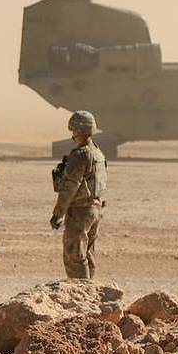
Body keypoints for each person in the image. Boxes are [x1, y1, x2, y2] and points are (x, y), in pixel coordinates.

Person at [50, 110, 108, 279]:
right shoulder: (98, 152)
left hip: (80, 211)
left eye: (73, 130)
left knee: (74, 255)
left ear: (78, 130)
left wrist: (57, 214)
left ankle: (80, 294)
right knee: (88, 253)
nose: (72, 134)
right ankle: (91, 293)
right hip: (95, 208)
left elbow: (69, 187)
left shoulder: (80, 154)